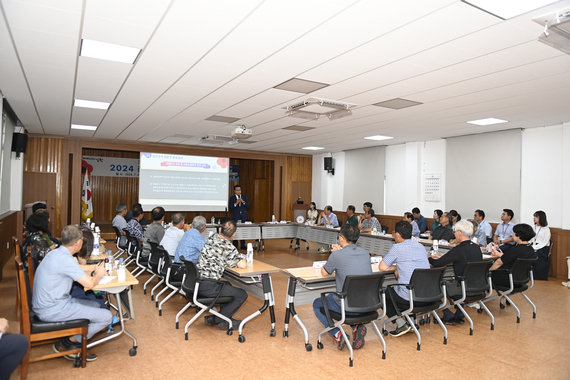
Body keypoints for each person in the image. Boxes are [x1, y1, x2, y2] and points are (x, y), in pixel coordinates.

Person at [32, 225, 113, 361]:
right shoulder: (65, 259)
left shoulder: (56, 253)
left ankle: (75, 335)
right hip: (52, 309)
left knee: (95, 305)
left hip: (50, 303)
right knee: (107, 316)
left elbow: (78, 269)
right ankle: (69, 342)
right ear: (78, 243)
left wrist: (95, 268)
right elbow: (89, 283)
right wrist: (98, 274)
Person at [312, 224, 372, 350]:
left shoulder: (337, 255)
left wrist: (334, 254)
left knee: (317, 304)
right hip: (367, 305)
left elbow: (324, 273)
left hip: (346, 307)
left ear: (341, 238)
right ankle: (356, 326)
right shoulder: (366, 254)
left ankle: (338, 333)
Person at [378, 221, 430, 337]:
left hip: (410, 297)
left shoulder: (397, 247)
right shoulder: (420, 246)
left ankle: (401, 323)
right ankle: (410, 320)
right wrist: (398, 266)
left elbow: (382, 267)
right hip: (428, 295)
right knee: (401, 288)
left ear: (397, 234)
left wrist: (396, 266)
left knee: (381, 293)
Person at [429, 220, 483, 324]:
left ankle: (447, 313)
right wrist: (443, 257)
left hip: (462, 287)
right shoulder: (476, 248)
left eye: (455, 232)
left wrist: (429, 258)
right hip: (479, 287)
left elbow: (437, 263)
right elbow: (460, 259)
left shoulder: (459, 249)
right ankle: (459, 312)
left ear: (460, 233)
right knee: (461, 278)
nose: (454, 234)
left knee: (433, 288)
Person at [197, 220, 247, 330]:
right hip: (209, 286)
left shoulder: (211, 238)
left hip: (197, 282)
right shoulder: (228, 247)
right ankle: (215, 319)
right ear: (233, 235)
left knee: (227, 284)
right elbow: (242, 265)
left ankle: (225, 319)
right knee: (242, 294)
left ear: (220, 230)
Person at [489, 223, 537, 288]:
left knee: (484, 272)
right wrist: (499, 254)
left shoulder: (514, 249)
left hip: (507, 279)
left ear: (518, 236)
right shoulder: (530, 249)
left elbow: (499, 262)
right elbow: (512, 258)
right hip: (521, 279)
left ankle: (480, 294)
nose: (513, 235)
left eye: (514, 233)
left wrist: (488, 272)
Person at [70, 227, 107, 309]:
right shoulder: (70, 256)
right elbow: (78, 268)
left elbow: (82, 265)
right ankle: (106, 316)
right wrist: (96, 268)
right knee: (93, 294)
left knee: (97, 295)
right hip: (71, 289)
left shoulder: (76, 253)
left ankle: (106, 315)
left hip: (74, 285)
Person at [530, 210, 551, 281]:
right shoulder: (534, 227)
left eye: (536, 216)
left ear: (541, 218)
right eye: (534, 216)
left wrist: (535, 248)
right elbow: (530, 238)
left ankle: (539, 276)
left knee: (536, 255)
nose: (534, 218)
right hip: (533, 246)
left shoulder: (546, 229)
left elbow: (545, 242)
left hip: (542, 248)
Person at [228, 185, 250, 249]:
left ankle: (243, 244)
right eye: (237, 190)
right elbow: (230, 207)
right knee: (235, 231)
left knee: (243, 230)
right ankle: (235, 245)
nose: (238, 191)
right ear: (234, 191)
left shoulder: (244, 197)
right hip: (235, 217)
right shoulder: (232, 198)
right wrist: (236, 203)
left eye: (239, 190)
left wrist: (243, 202)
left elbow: (248, 206)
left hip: (243, 216)